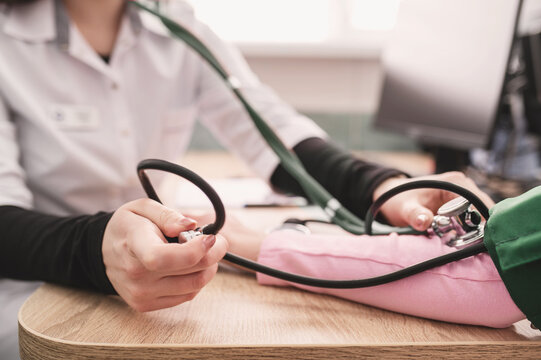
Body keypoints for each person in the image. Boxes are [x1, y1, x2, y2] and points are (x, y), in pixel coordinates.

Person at [0, 0, 495, 358]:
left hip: (150, 283)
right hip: (32, 296)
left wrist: (383, 187)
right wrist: (95, 249)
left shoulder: (177, 27)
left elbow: (276, 135)